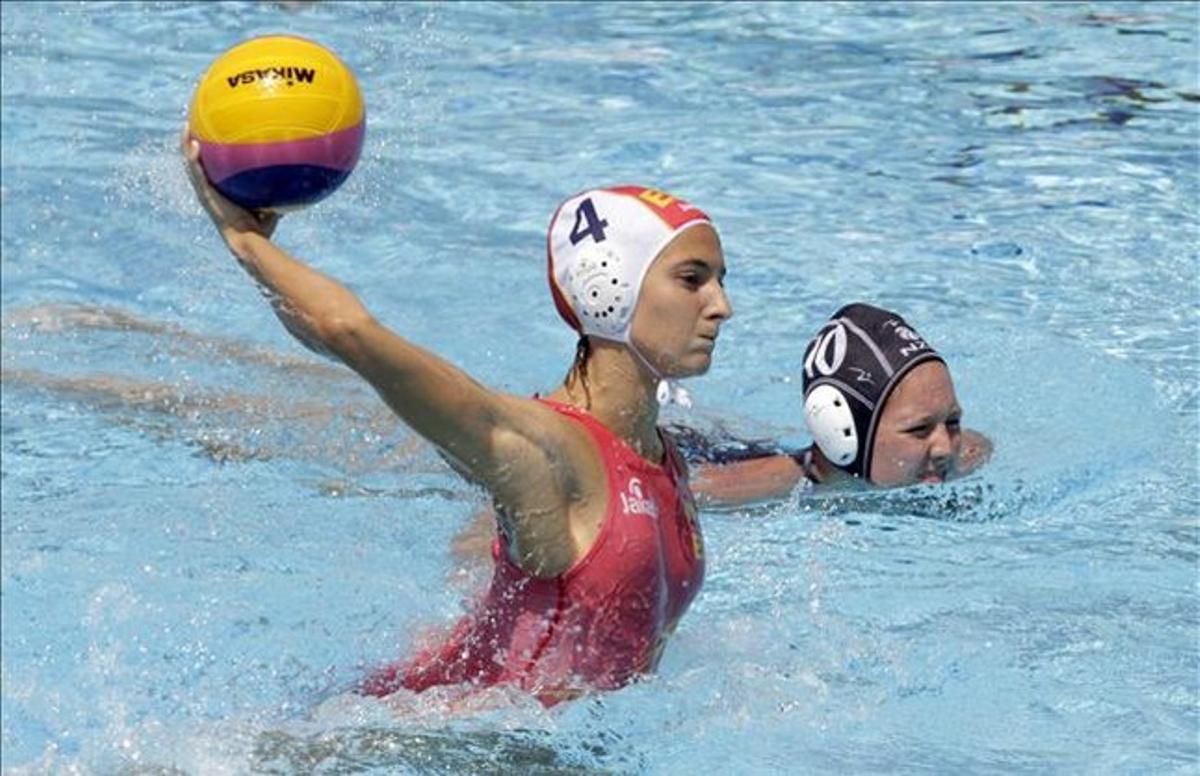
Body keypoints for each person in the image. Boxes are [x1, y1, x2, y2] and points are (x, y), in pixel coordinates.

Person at [181, 130, 732, 706]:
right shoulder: (549, 454)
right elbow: (352, 337)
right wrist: (243, 239)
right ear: (608, 290)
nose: (721, 305)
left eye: (720, 280)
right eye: (692, 280)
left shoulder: (659, 454)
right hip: (420, 742)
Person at [685, 303, 992, 506]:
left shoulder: (965, 456)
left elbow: (980, 444)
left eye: (952, 422)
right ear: (842, 431)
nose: (945, 448)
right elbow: (676, 497)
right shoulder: (753, 489)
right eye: (919, 430)